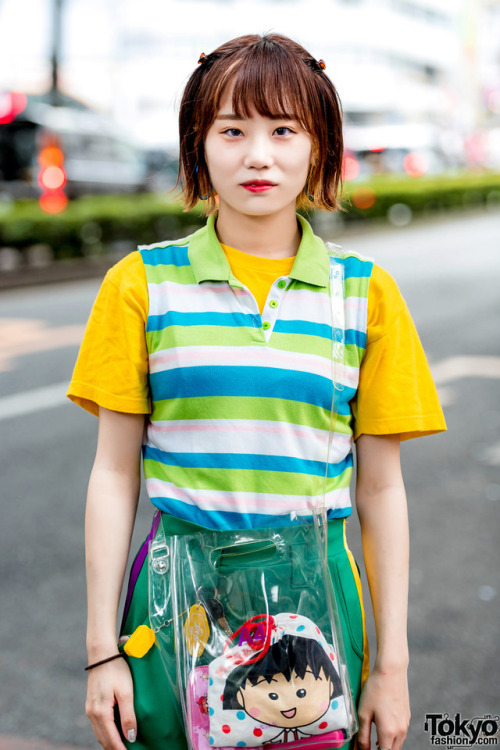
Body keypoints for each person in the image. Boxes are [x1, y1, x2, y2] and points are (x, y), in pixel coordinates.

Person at [67, 33, 446, 750]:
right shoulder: (141, 284)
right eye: (232, 130)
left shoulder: (364, 292)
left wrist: (391, 666)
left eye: (283, 129)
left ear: (319, 146)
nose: (258, 155)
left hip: (320, 591)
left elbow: (382, 490)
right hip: (177, 596)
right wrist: (100, 650)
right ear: (198, 145)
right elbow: (113, 475)